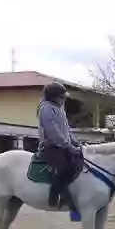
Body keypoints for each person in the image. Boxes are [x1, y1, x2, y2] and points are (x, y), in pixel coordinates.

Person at [37, 81, 81, 209]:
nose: (63, 100)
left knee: (78, 164)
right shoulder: (45, 109)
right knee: (64, 168)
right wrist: (68, 146)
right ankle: (54, 197)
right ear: (52, 97)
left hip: (63, 146)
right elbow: (53, 132)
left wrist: (76, 143)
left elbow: (67, 129)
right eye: (61, 97)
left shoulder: (59, 109)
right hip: (51, 147)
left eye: (63, 98)